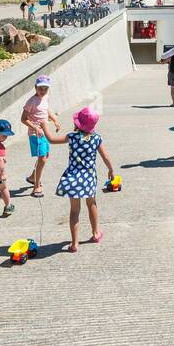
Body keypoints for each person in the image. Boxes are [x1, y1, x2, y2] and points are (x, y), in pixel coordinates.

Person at [45, 106, 116, 253]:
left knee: (74, 211)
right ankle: (96, 233)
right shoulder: (96, 138)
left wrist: (44, 125)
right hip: (88, 178)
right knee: (92, 204)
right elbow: (106, 157)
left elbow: (51, 140)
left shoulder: (72, 137)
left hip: (72, 178)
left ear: (77, 124)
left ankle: (74, 243)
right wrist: (111, 170)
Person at [20, 74, 61, 197]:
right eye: (40, 88)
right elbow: (23, 119)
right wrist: (35, 127)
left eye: (45, 88)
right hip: (35, 134)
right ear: (35, 87)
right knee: (42, 158)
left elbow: (46, 110)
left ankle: (33, 177)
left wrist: (54, 119)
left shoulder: (45, 97)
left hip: (44, 132)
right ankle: (36, 186)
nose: (43, 91)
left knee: (45, 156)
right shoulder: (31, 101)